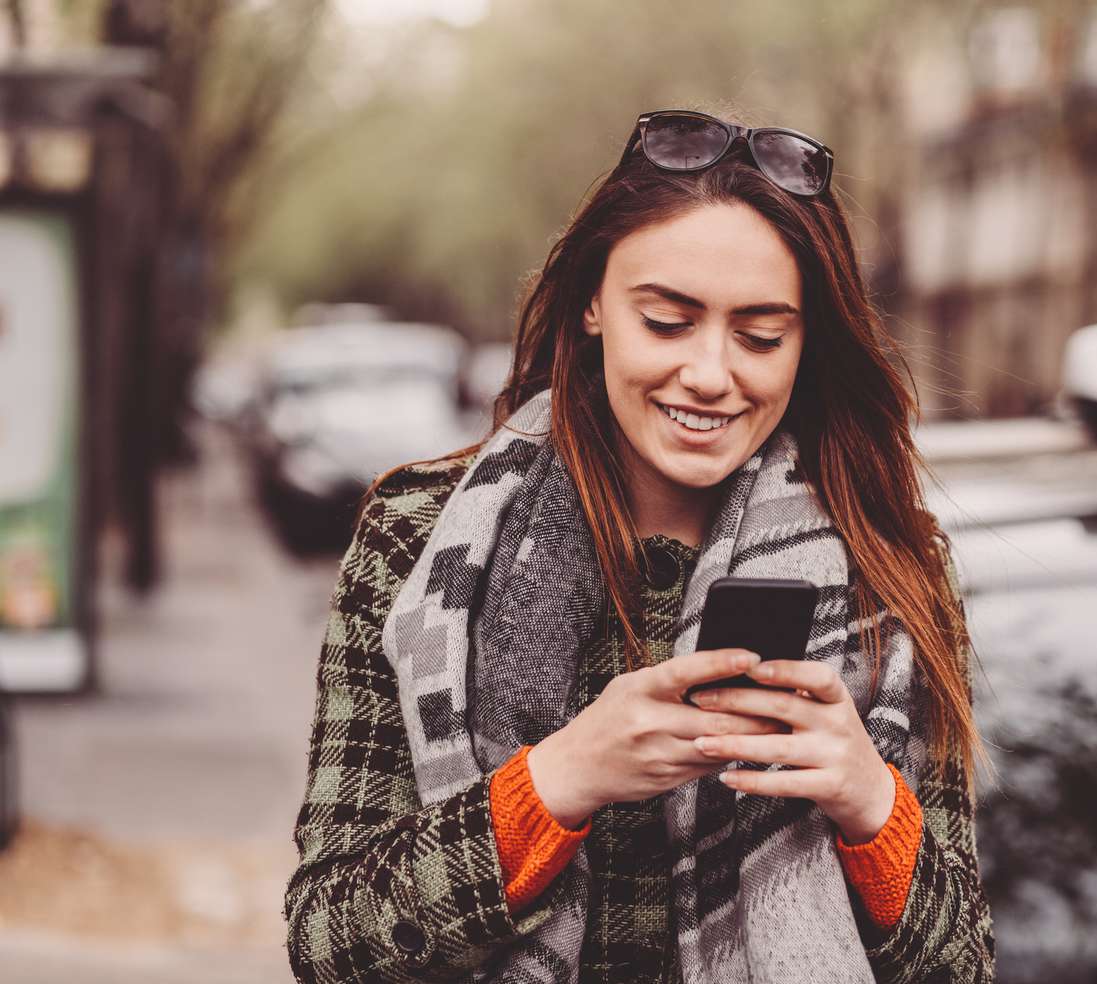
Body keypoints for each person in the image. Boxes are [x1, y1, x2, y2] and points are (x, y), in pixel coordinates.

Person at [283, 107, 995, 984]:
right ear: (592, 304)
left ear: (807, 343)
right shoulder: (417, 537)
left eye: (761, 336)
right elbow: (327, 942)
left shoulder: (887, 562)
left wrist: (870, 805)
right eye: (667, 321)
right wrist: (558, 782)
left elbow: (963, 963)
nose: (709, 373)